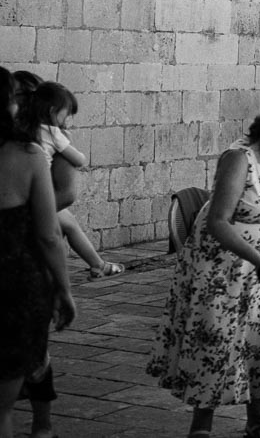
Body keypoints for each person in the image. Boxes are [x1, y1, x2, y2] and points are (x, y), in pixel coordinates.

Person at [149, 99, 260, 437]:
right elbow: (219, 221)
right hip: (222, 267)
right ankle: (202, 425)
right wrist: (259, 261)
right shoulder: (238, 158)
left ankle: (257, 422)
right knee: (218, 343)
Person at [0, 67, 76, 438]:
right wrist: (63, 288)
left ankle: (42, 424)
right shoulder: (27, 154)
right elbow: (49, 236)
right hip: (13, 280)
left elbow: (68, 191)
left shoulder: (42, 144)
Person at [24, 81, 124, 278]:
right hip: (38, 193)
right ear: (53, 111)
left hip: (22, 189)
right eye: (66, 113)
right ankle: (98, 265)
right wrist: (71, 146)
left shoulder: (24, 127)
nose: (67, 118)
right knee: (69, 225)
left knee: (67, 222)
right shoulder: (52, 132)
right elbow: (78, 160)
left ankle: (98, 264)